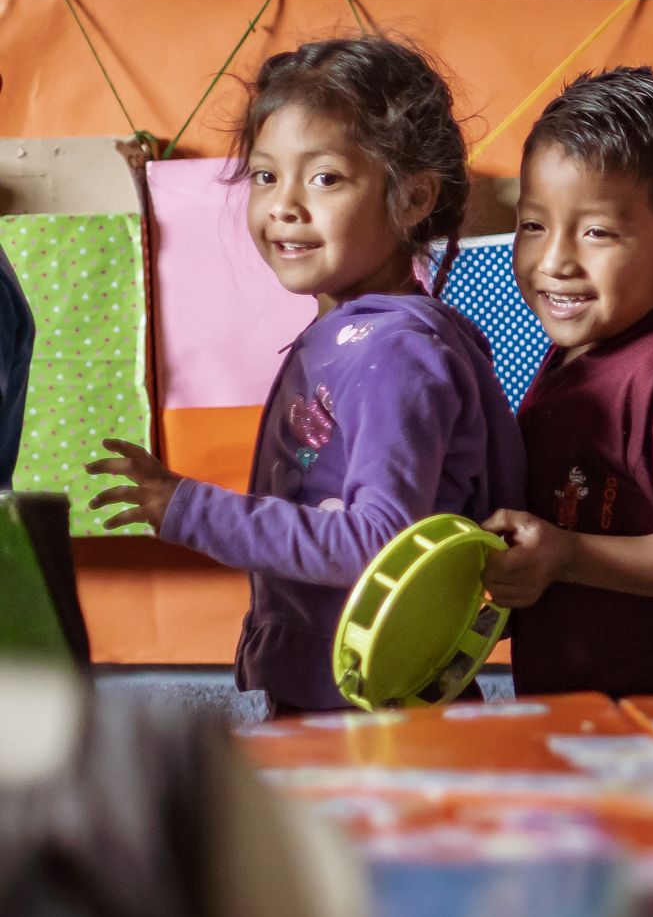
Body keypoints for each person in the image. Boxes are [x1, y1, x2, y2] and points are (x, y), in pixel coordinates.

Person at [87, 37, 524, 714]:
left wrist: (189, 509)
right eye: (265, 176)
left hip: (377, 717)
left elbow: (379, 546)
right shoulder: (348, 335)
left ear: (412, 199)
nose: (284, 205)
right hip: (341, 700)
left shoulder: (397, 354)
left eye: (323, 178)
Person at [477, 67, 653, 697]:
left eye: (597, 232)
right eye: (533, 225)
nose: (554, 261)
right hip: (571, 706)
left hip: (651, 721)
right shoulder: (576, 354)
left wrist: (566, 556)